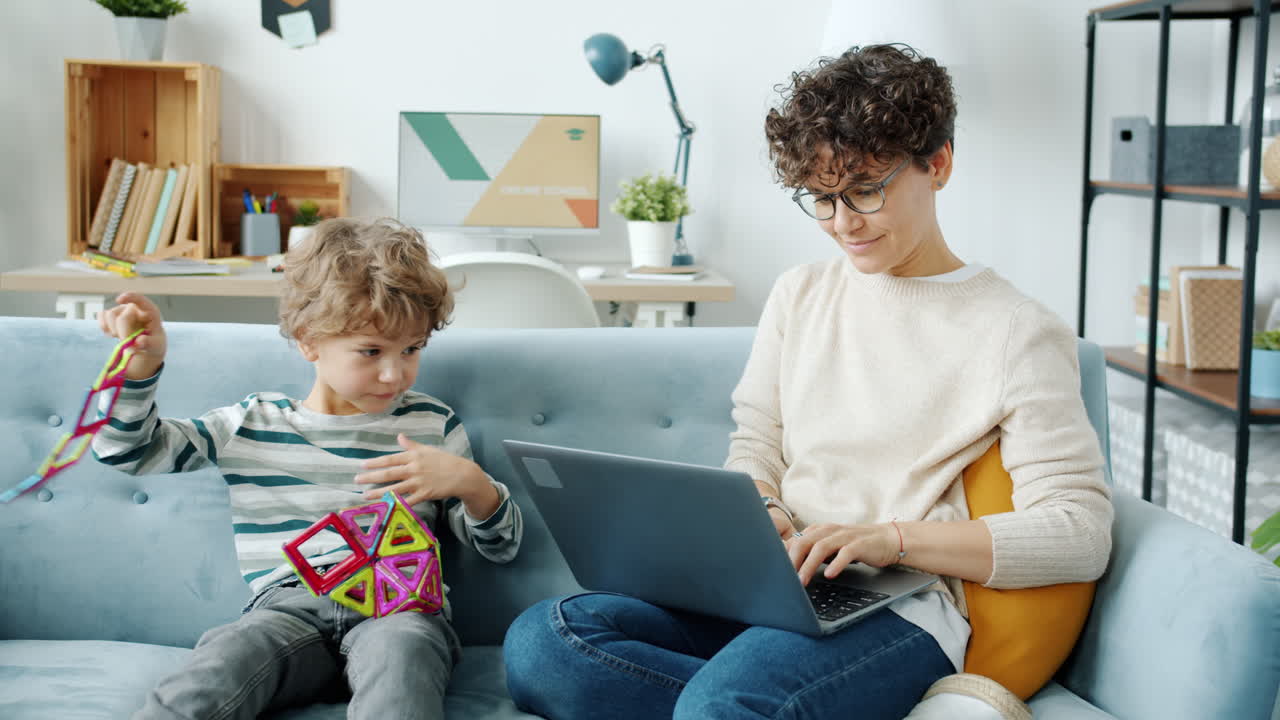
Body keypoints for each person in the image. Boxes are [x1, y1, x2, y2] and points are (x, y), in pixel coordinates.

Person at [501, 44, 1112, 719]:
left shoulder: (1017, 329)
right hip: (777, 579)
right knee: (544, 643)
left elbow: (1079, 530)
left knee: (721, 703)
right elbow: (757, 439)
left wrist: (892, 538)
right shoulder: (800, 293)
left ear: (937, 164)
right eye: (821, 199)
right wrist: (764, 507)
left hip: (900, 605)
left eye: (865, 191)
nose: (843, 224)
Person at [92, 218, 523, 720]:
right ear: (308, 341)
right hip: (286, 613)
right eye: (371, 351)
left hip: (398, 613)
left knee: (403, 656)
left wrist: (472, 485)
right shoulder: (251, 423)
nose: (394, 373)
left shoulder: (431, 423)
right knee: (218, 666)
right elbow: (129, 454)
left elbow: (502, 547)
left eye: (412, 349)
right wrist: (139, 371)